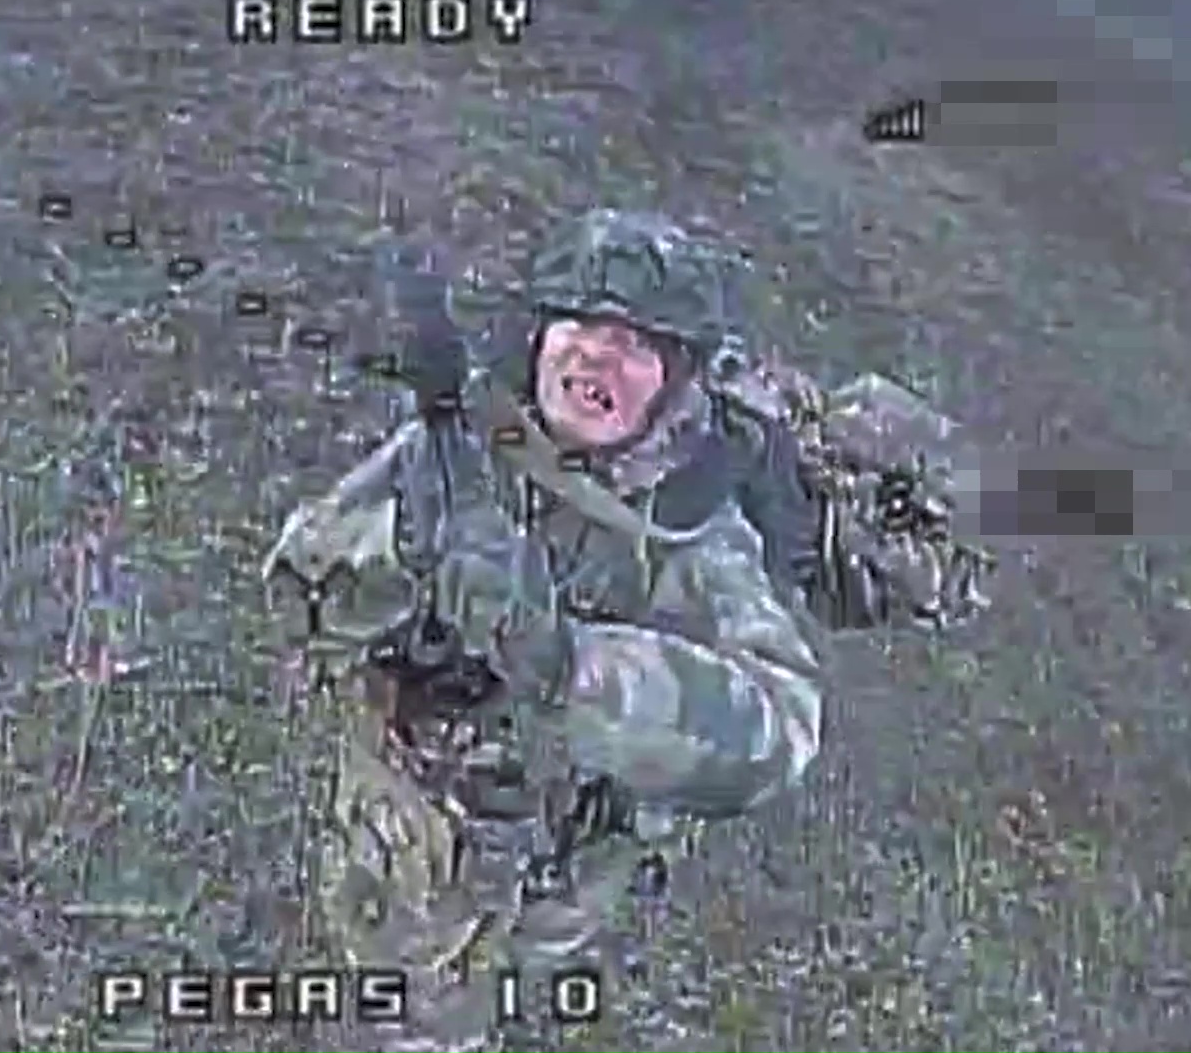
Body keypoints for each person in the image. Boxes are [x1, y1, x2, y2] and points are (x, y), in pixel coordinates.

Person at [262, 209, 832, 1052]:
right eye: (579, 323)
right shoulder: (457, 447)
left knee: (518, 1001)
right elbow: (299, 593)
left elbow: (783, 727)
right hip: (406, 851)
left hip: (561, 886)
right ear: (537, 336)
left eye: (636, 344)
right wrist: (404, 550)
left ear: (677, 380)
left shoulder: (694, 530)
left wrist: (571, 666)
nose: (597, 355)